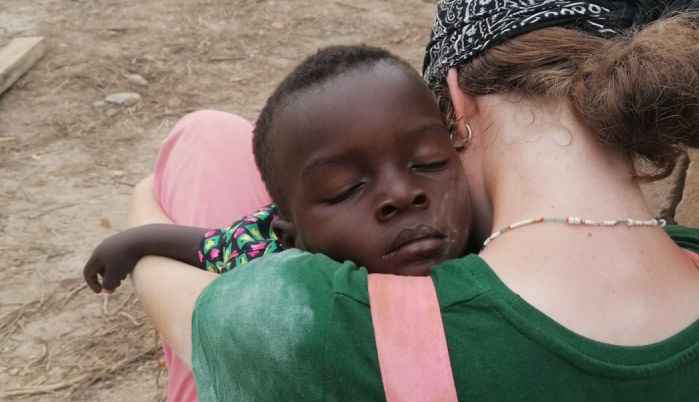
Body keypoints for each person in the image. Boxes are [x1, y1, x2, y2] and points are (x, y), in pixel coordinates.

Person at [121, 1, 699, 402]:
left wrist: (140, 207)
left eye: (430, 158)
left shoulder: (336, 325)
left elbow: (183, 300)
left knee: (205, 139)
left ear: (456, 103)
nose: (404, 195)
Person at [83, 44, 471, 294]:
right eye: (345, 188)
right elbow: (217, 246)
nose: (403, 194)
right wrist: (139, 241)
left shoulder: (504, 241)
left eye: (427, 161)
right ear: (290, 237)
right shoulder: (289, 281)